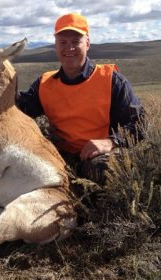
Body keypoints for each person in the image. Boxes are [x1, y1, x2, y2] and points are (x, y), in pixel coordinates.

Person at [17, 13, 145, 184]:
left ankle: (102, 210)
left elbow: (139, 124)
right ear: (55, 45)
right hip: (59, 156)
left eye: (76, 42)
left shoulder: (111, 80)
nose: (69, 48)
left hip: (99, 156)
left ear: (87, 43)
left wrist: (110, 142)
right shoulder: (45, 83)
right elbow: (20, 108)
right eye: (63, 42)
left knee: (103, 169)